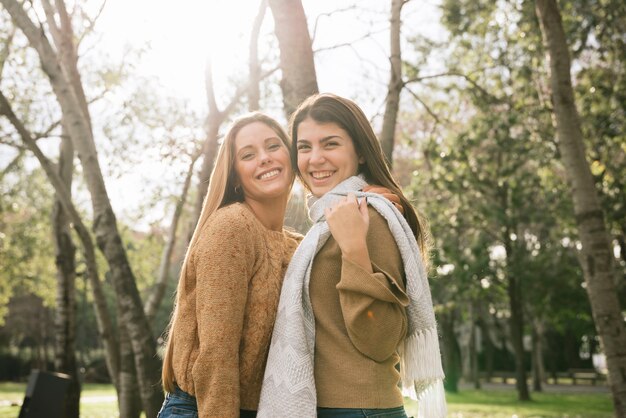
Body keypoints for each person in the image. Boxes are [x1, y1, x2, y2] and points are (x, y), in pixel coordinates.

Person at [158, 111, 402, 418]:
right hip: (206, 409)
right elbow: (216, 357)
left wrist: (363, 196)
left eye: (273, 147)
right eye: (248, 154)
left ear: (290, 159)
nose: (264, 158)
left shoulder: (297, 245)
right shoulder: (232, 227)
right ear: (234, 174)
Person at [258, 93, 446, 418]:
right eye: (305, 147)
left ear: (359, 152)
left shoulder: (370, 218)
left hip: (359, 409)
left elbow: (381, 339)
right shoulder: (327, 224)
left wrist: (355, 251)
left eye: (330, 144)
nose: (315, 158)